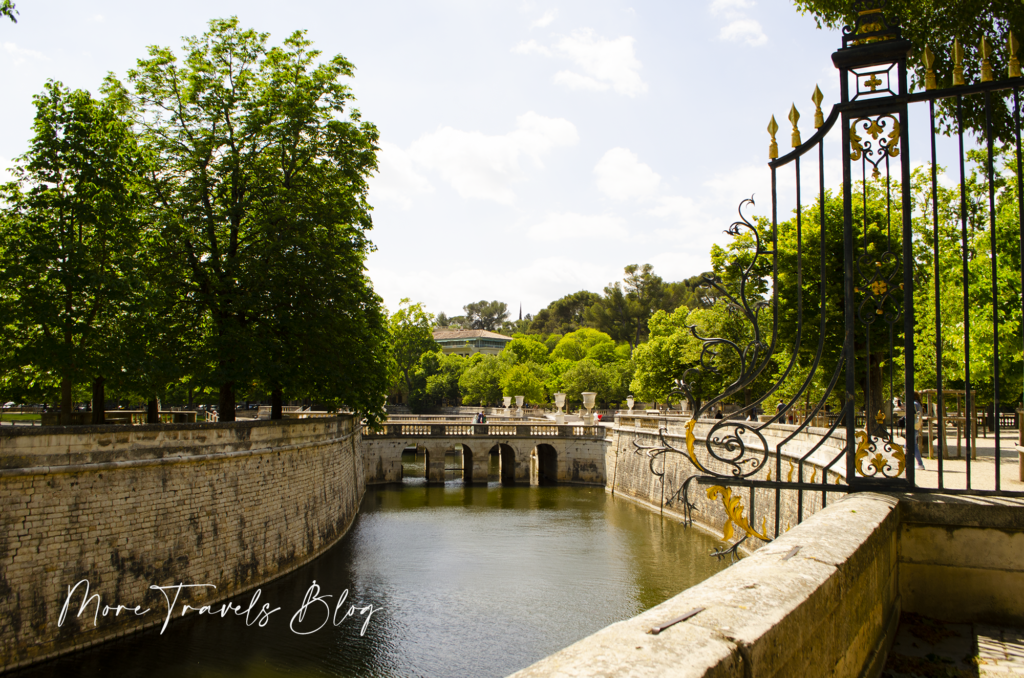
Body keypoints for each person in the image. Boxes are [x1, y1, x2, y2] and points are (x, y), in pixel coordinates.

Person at [909, 392, 925, 471]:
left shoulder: (914, 403)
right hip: (916, 426)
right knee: (910, 445)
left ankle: (919, 463)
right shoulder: (918, 403)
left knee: (912, 445)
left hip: (913, 426)